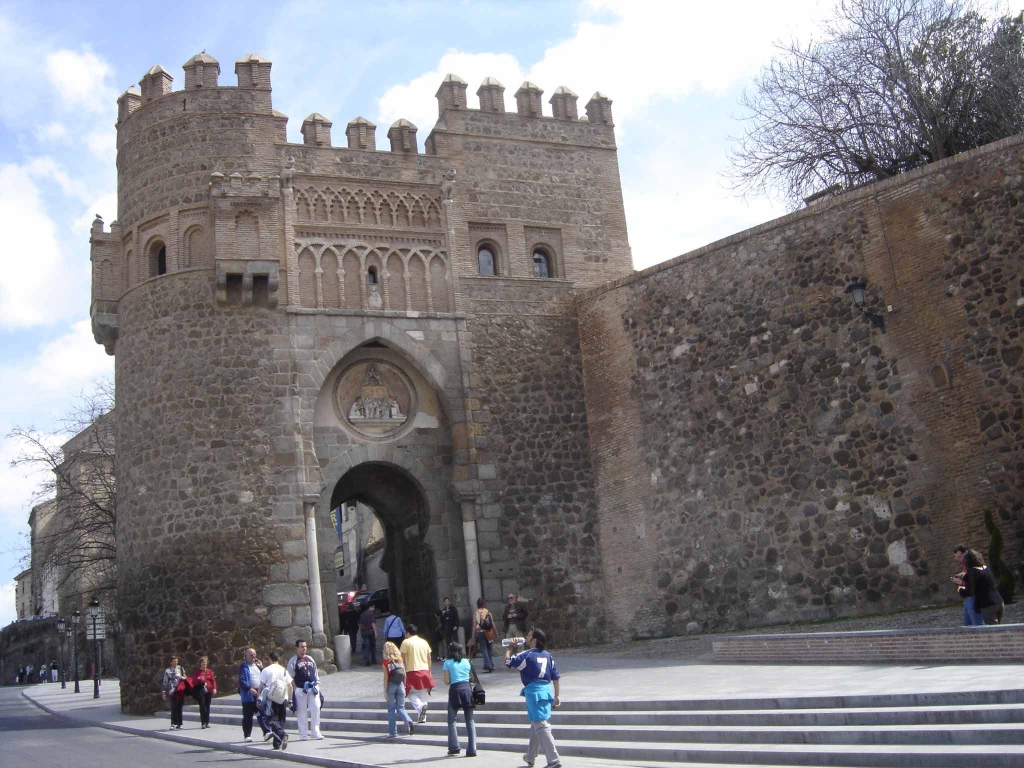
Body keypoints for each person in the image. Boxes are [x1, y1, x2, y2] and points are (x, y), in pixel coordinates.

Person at [506, 628, 561, 768]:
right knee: (536, 724)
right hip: (546, 691)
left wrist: (509, 647)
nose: (526, 637)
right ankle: (530, 756)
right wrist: (557, 695)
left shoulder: (527, 655)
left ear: (534, 640)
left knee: (541, 725)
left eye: (529, 635)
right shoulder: (548, 655)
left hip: (534, 692)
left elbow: (508, 662)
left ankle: (553, 759)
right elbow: (556, 677)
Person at [442, 642, 477, 757]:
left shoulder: (447, 663)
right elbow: (472, 679)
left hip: (455, 691)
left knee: (452, 721)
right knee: (470, 721)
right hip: (467, 689)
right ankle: (472, 749)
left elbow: (447, 681)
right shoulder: (467, 661)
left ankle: (454, 747)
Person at [287, 639, 323, 740]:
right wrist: (295, 689)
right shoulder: (293, 660)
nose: (304, 649)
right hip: (301, 688)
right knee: (302, 711)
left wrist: (317, 684)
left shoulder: (310, 659)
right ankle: (303, 733)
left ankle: (315, 732)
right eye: (302, 647)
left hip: (313, 688)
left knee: (315, 708)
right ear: (297, 648)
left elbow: (315, 672)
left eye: (305, 647)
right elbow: (290, 676)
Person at [400, 623, 435, 724]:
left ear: (408, 633)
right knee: (423, 694)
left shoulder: (406, 642)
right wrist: (430, 671)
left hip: (412, 671)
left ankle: (420, 708)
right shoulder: (424, 642)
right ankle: (422, 717)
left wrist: (402, 671)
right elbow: (429, 658)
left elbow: (401, 658)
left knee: (410, 693)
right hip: (425, 670)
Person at [257, 650, 292, 750]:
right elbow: (290, 686)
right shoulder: (284, 670)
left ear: (269, 659)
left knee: (270, 720)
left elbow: (261, 685)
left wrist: (258, 697)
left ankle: (283, 735)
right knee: (280, 720)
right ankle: (277, 743)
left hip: (272, 699)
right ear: (278, 659)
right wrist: (290, 700)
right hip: (283, 697)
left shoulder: (266, 670)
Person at [381, 641, 414, 737]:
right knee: (401, 708)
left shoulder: (385, 662)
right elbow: (404, 673)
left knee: (391, 710)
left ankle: (393, 732)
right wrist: (404, 685)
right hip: (400, 685)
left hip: (391, 685)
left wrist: (385, 691)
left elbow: (386, 677)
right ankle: (408, 721)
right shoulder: (400, 660)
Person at [965, 548, 1005, 625]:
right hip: (999, 601)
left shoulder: (973, 571)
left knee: (994, 631)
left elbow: (971, 591)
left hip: (988, 604)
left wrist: (960, 589)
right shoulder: (985, 568)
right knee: (998, 628)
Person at [238, 647, 267, 742]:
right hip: (248, 694)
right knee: (248, 715)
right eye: (251, 654)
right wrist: (249, 688)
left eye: (254, 654)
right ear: (246, 655)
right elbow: (242, 680)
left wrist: (261, 668)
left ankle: (266, 732)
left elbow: (264, 677)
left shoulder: (258, 665)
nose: (253, 656)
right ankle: (247, 735)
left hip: (258, 692)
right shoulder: (243, 666)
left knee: (261, 713)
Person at [952, 544, 985, 626]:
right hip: (967, 597)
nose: (957, 559)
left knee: (977, 625)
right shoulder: (966, 566)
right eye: (956, 557)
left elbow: (974, 583)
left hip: (972, 597)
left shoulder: (972, 566)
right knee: (968, 625)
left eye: (959, 557)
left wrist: (961, 582)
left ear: (965, 554)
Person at [160, 654, 186, 730]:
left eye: (176, 661)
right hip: (172, 690)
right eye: (174, 661)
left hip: (180, 690)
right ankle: (173, 724)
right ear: (170, 662)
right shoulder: (168, 670)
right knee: (174, 707)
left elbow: (185, 678)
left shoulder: (181, 668)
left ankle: (180, 724)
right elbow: (165, 681)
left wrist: (180, 677)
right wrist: (164, 692)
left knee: (180, 707)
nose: (175, 662)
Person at [193, 655, 218, 729]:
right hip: (201, 690)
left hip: (209, 690)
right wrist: (200, 680)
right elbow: (195, 681)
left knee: (207, 706)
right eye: (203, 662)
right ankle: (203, 722)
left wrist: (214, 688)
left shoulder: (209, 671)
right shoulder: (198, 671)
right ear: (200, 663)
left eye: (206, 662)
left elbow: (213, 680)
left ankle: (207, 722)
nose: (204, 664)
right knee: (202, 706)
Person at [472, 598, 496, 673]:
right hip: (489, 632)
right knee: (489, 649)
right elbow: (492, 623)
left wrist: (473, 635)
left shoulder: (476, 613)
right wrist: (496, 632)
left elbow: (474, 625)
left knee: (484, 649)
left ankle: (487, 665)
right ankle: (491, 664)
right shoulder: (488, 612)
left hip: (480, 632)